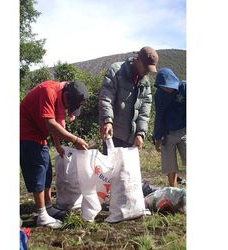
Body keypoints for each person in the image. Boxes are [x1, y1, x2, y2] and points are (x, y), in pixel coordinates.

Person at [20, 80, 89, 228]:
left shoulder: (61, 95)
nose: (67, 109)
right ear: (66, 94)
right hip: (25, 131)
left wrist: (58, 145)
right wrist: (75, 139)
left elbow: (55, 123)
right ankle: (42, 215)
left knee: (46, 171)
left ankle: (48, 208)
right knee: (38, 169)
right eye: (69, 105)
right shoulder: (48, 91)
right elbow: (51, 124)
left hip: (39, 134)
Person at [98, 46, 159, 154]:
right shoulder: (116, 71)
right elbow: (106, 98)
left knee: (127, 170)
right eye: (145, 67)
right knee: (110, 168)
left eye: (149, 69)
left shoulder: (145, 83)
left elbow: (145, 111)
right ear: (138, 59)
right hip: (112, 133)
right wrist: (107, 120)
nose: (146, 72)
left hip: (131, 138)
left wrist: (140, 133)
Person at [153, 68, 186, 187]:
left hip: (184, 131)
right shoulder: (159, 95)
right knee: (170, 165)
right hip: (167, 134)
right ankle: (174, 191)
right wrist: (157, 137)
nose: (168, 89)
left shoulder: (184, 88)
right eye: (165, 87)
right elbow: (159, 116)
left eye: (170, 86)